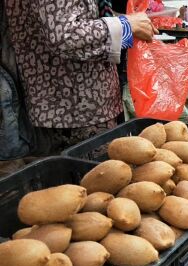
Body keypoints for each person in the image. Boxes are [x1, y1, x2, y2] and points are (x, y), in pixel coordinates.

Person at [5, 0, 157, 156]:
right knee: (90, 175)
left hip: (83, 106)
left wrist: (128, 23)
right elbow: (64, 37)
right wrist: (126, 24)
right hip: (72, 110)